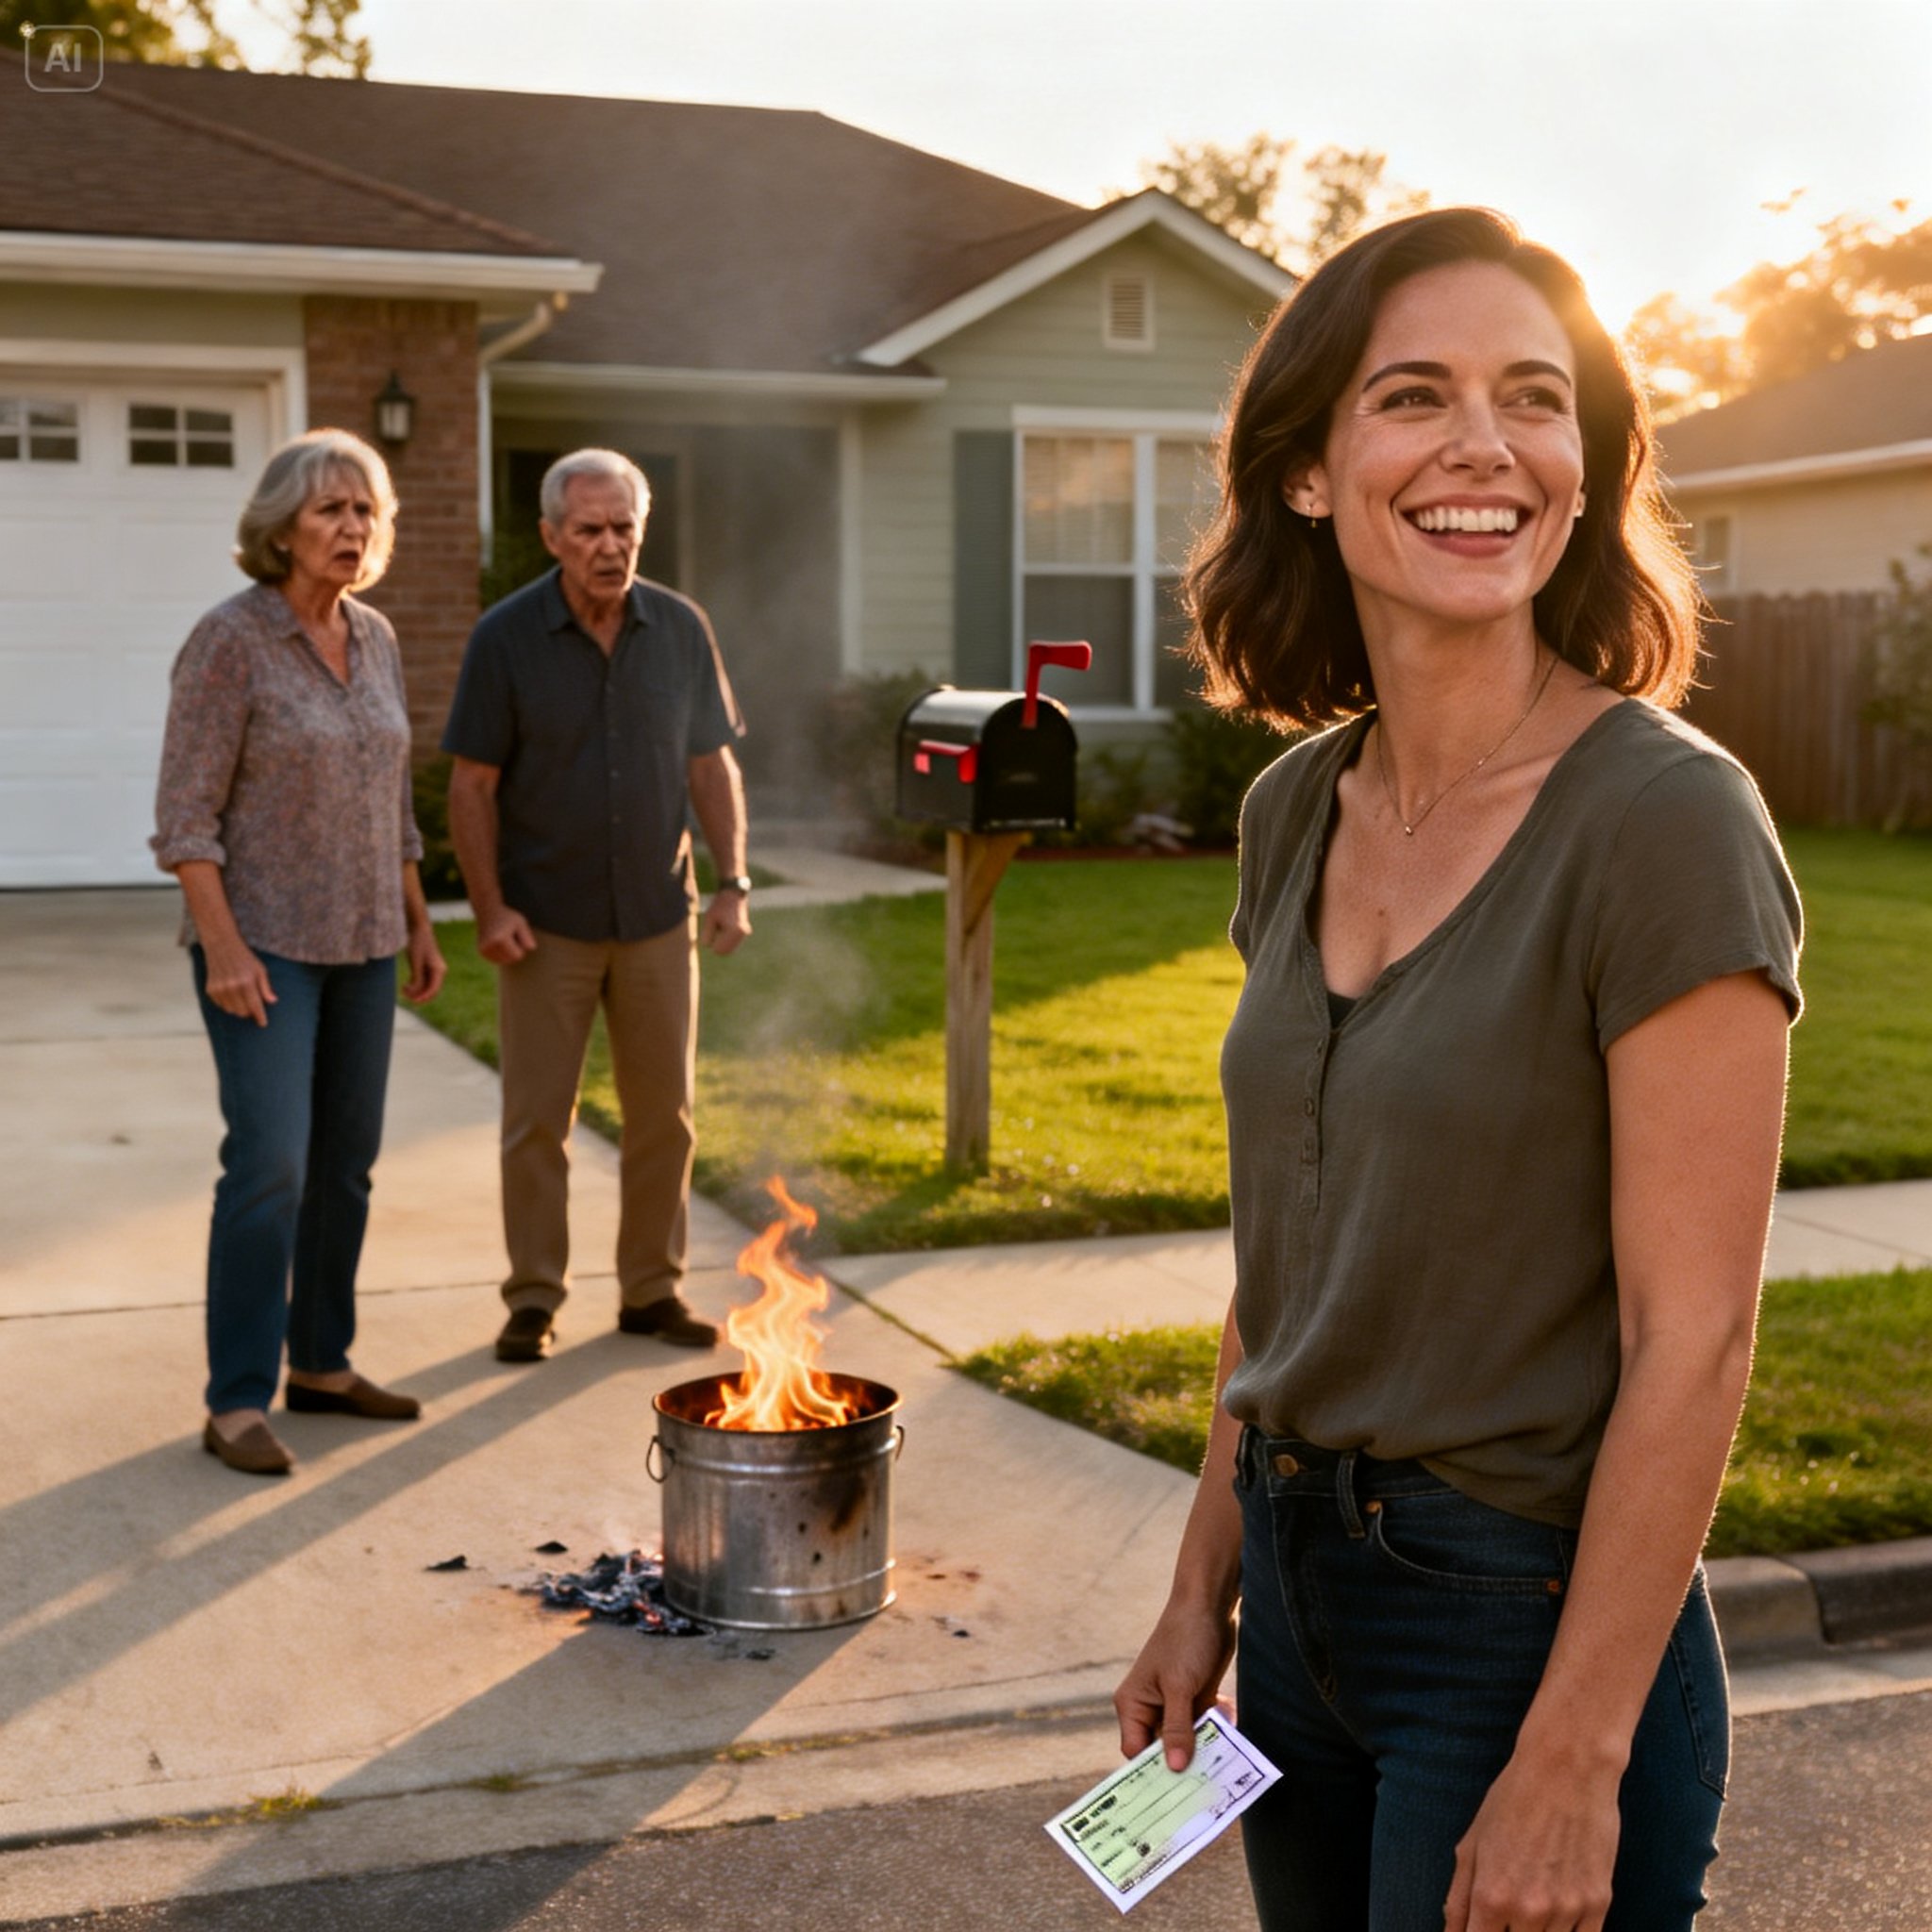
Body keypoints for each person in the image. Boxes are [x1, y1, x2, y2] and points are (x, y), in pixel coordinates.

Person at [1113, 208, 1802, 1932]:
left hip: (1521, 1618)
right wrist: (1202, 1586)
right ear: (1304, 470)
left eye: (1534, 399)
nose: (1485, 446)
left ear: (1585, 468)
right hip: (1295, 1604)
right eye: (1414, 396)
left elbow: (1696, 1336)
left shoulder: (1663, 819)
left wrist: (1575, 1753)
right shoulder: (1294, 810)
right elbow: (1289, 1263)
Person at [154, 427, 445, 1478]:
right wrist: (223, 947)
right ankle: (236, 1397)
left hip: (365, 941)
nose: (352, 527)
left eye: (365, 510)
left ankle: (321, 1361)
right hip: (263, 946)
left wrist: (417, 917)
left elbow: (390, 800)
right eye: (331, 509)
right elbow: (185, 818)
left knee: (344, 1165)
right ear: (281, 529)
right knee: (271, 1162)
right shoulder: (229, 640)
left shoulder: (376, 636)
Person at [443, 449, 750, 1364]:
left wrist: (732, 882)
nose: (610, 546)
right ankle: (534, 1296)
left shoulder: (679, 627)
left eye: (624, 528)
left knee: (666, 1117)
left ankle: (652, 1289)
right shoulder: (504, 638)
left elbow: (711, 764)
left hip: (657, 912)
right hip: (546, 923)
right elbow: (471, 785)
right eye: (589, 530)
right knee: (538, 1123)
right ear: (551, 537)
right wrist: (490, 909)